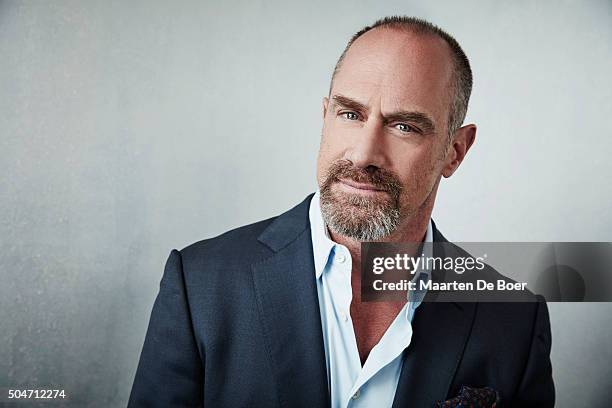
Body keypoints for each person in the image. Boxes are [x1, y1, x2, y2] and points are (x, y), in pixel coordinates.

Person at [128, 16, 554, 407]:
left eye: (404, 126)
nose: (364, 153)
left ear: (455, 151)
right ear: (325, 116)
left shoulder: (513, 317)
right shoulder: (200, 283)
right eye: (350, 114)